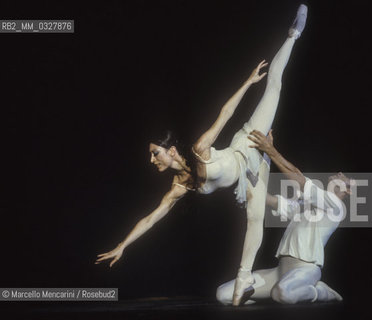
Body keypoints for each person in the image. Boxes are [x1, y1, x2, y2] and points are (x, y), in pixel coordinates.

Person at [95, 5, 308, 306]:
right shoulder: (179, 187)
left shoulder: (199, 150)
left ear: (170, 151)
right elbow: (150, 219)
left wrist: (248, 81)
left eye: (155, 153)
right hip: (247, 181)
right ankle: (246, 277)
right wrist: (122, 245)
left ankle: (293, 35)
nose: (152, 160)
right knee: (255, 217)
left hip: (247, 144)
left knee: (274, 86)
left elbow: (226, 112)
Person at [215, 130, 351, 305]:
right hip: (280, 271)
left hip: (306, 270)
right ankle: (287, 289)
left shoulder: (336, 207)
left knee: (283, 293)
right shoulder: (304, 206)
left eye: (346, 177)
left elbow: (298, 178)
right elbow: (266, 198)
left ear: (348, 190)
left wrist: (270, 149)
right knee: (224, 294)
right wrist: (245, 172)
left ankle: (319, 291)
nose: (340, 172)